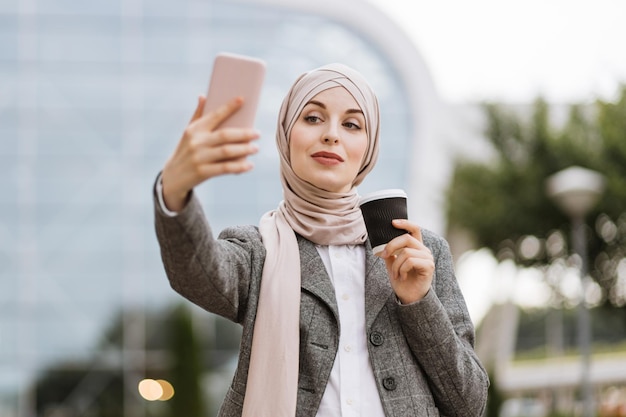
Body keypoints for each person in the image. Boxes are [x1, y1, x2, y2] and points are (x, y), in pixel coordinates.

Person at [153, 63, 489, 417]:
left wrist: (419, 300)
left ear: (368, 146)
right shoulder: (259, 251)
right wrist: (174, 189)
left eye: (351, 124)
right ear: (286, 134)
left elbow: (470, 403)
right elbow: (196, 273)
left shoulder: (417, 251)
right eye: (313, 118)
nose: (331, 135)